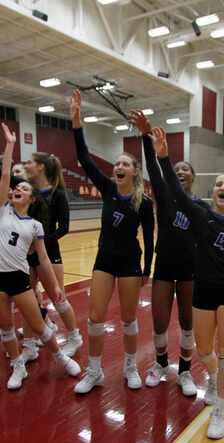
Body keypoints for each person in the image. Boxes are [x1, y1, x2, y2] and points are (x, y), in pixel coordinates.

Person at [151, 126, 224, 438]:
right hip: (203, 291)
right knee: (204, 350)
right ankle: (214, 378)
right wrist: (163, 157)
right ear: (213, 190)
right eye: (218, 183)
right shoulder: (200, 215)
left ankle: (220, 410)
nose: (222, 186)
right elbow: (175, 191)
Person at [69, 90, 155, 394]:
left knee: (129, 318)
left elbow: (150, 235)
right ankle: (94, 371)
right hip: (104, 260)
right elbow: (83, 158)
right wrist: (77, 123)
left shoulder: (143, 202)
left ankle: (131, 367)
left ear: (134, 172)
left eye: (125, 164)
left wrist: (147, 267)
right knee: (94, 317)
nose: (118, 167)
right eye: (116, 163)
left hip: (131, 262)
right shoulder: (107, 189)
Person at [0, 123, 80, 389]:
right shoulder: (3, 210)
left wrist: (56, 284)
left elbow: (44, 260)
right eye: (16, 189)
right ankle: (18, 367)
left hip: (18, 278)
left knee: (38, 324)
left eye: (24, 189)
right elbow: (4, 173)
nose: (17, 190)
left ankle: (60, 356)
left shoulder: (35, 227)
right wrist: (10, 144)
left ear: (32, 199)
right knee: (6, 328)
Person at [129, 110, 201, 397]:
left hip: (190, 270)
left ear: (193, 178)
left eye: (186, 170)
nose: (181, 172)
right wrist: (146, 136)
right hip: (164, 267)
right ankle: (160, 365)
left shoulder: (198, 206)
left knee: (187, 322)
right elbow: (154, 167)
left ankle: (184, 371)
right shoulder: (162, 195)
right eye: (178, 169)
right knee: (159, 321)